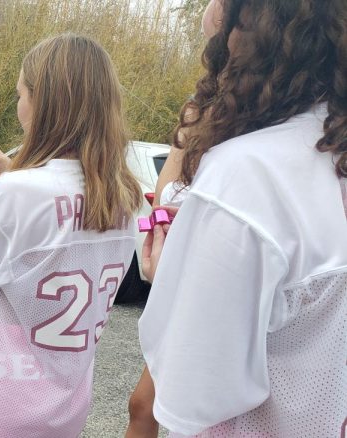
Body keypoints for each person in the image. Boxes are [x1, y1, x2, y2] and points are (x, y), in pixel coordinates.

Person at [138, 0, 347, 436]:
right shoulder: (328, 154)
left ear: (254, 31)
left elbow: (189, 395)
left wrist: (175, 276)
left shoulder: (248, 176)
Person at [0, 34, 142, 437]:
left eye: (20, 94)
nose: (18, 106)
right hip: (64, 414)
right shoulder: (125, 199)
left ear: (42, 104)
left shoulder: (23, 192)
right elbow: (61, 230)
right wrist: (14, 173)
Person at [124, 2, 223, 437]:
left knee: (175, 413)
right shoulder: (201, 108)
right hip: (180, 290)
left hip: (220, 291)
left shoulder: (262, 133)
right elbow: (161, 200)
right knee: (142, 407)